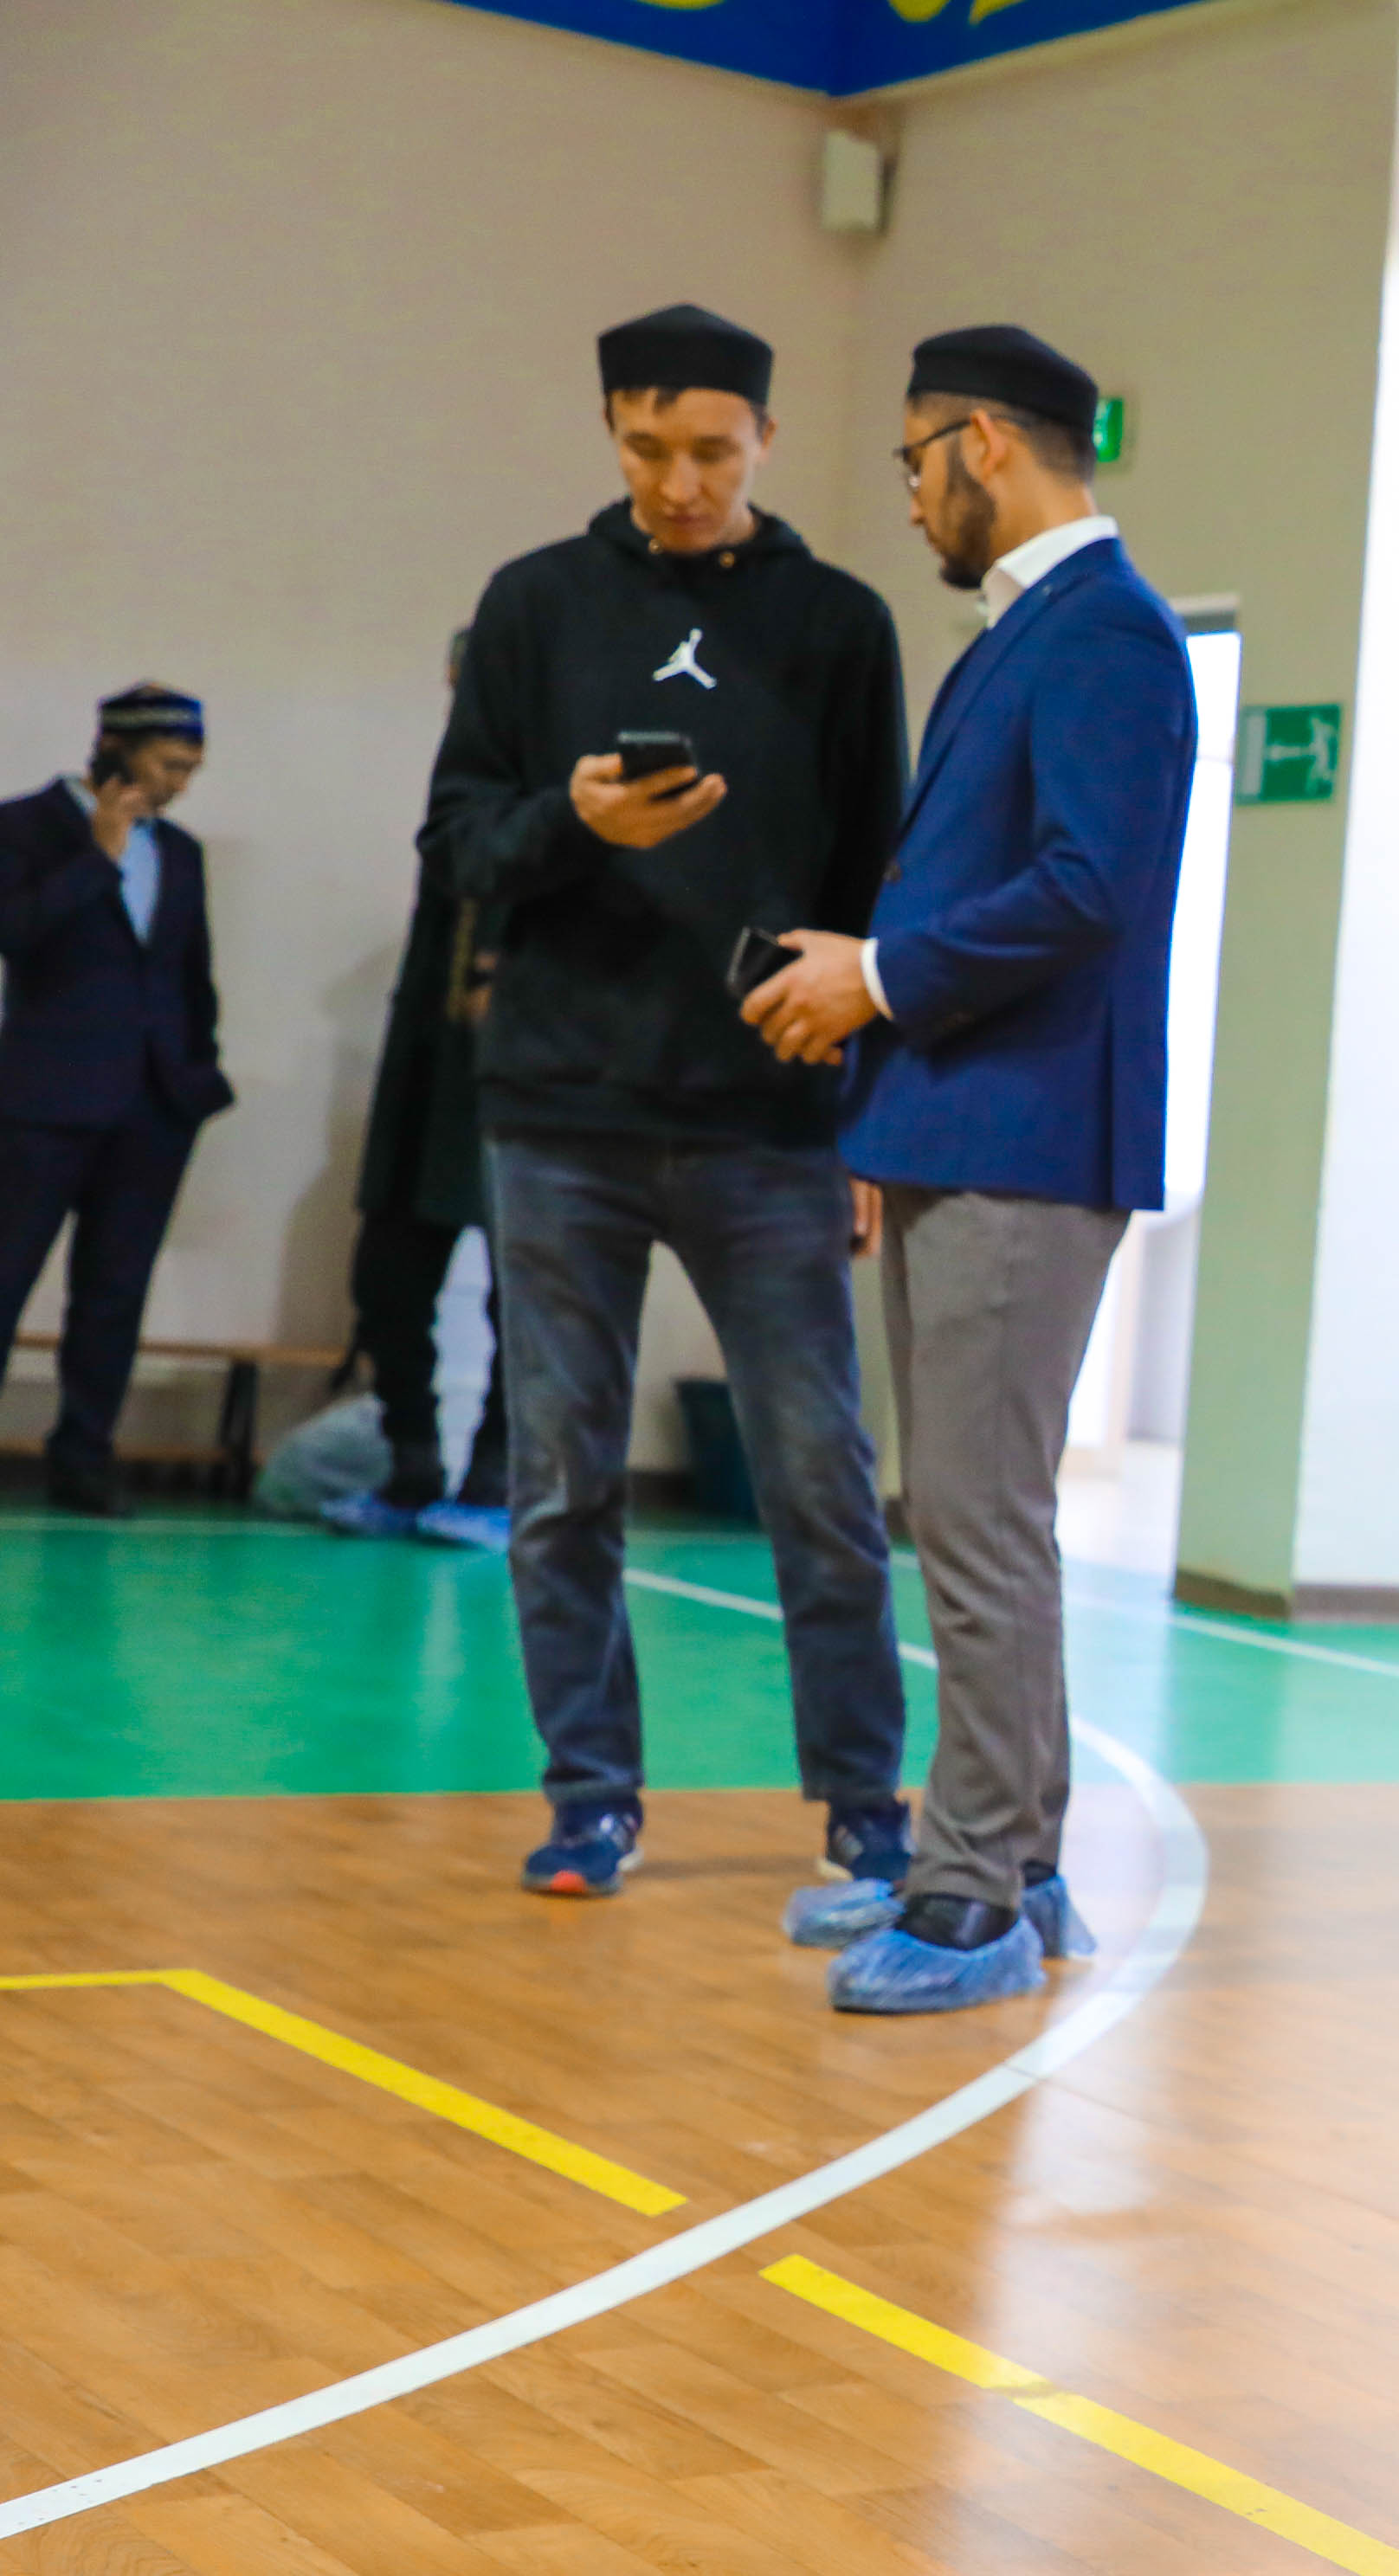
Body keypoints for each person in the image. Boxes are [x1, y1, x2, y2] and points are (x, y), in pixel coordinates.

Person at [422, 304, 913, 1905]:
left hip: (772, 1118)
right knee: (561, 1484)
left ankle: (864, 1803)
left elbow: (879, 884)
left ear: (766, 436)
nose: (680, 482)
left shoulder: (839, 624)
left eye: (710, 450)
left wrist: (869, 1122)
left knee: (819, 1479)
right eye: (648, 449)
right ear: (610, 434)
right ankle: (590, 1800)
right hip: (557, 1116)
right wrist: (573, 823)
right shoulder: (533, 604)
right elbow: (457, 848)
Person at [745, 325, 1192, 2015]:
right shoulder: (1028, 634)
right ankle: (1012, 1859)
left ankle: (967, 1899)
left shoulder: (1107, 633)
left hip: (1025, 1136)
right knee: (971, 1517)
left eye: (916, 460)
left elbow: (1088, 888)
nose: (915, 496)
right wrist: (882, 1078)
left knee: (979, 1523)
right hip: (959, 1121)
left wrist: (875, 977)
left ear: (983, 444)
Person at [0, 686, 235, 1519]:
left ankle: (84, 1458)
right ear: (118, 750)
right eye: (170, 764)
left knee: (114, 1291)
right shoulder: (24, 826)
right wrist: (99, 856)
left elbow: (190, 974)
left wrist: (197, 1073)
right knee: (7, 1275)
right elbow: (14, 932)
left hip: (152, 1106)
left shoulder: (182, 852)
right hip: (43, 1101)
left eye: (192, 768)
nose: (180, 783)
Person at [328, 628, 509, 1545]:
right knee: (387, 1280)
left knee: (524, 1293)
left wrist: (503, 968)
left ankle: (496, 1481)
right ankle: (411, 1468)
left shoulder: (563, 789)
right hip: (427, 1074)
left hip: (520, 1075)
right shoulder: (462, 788)